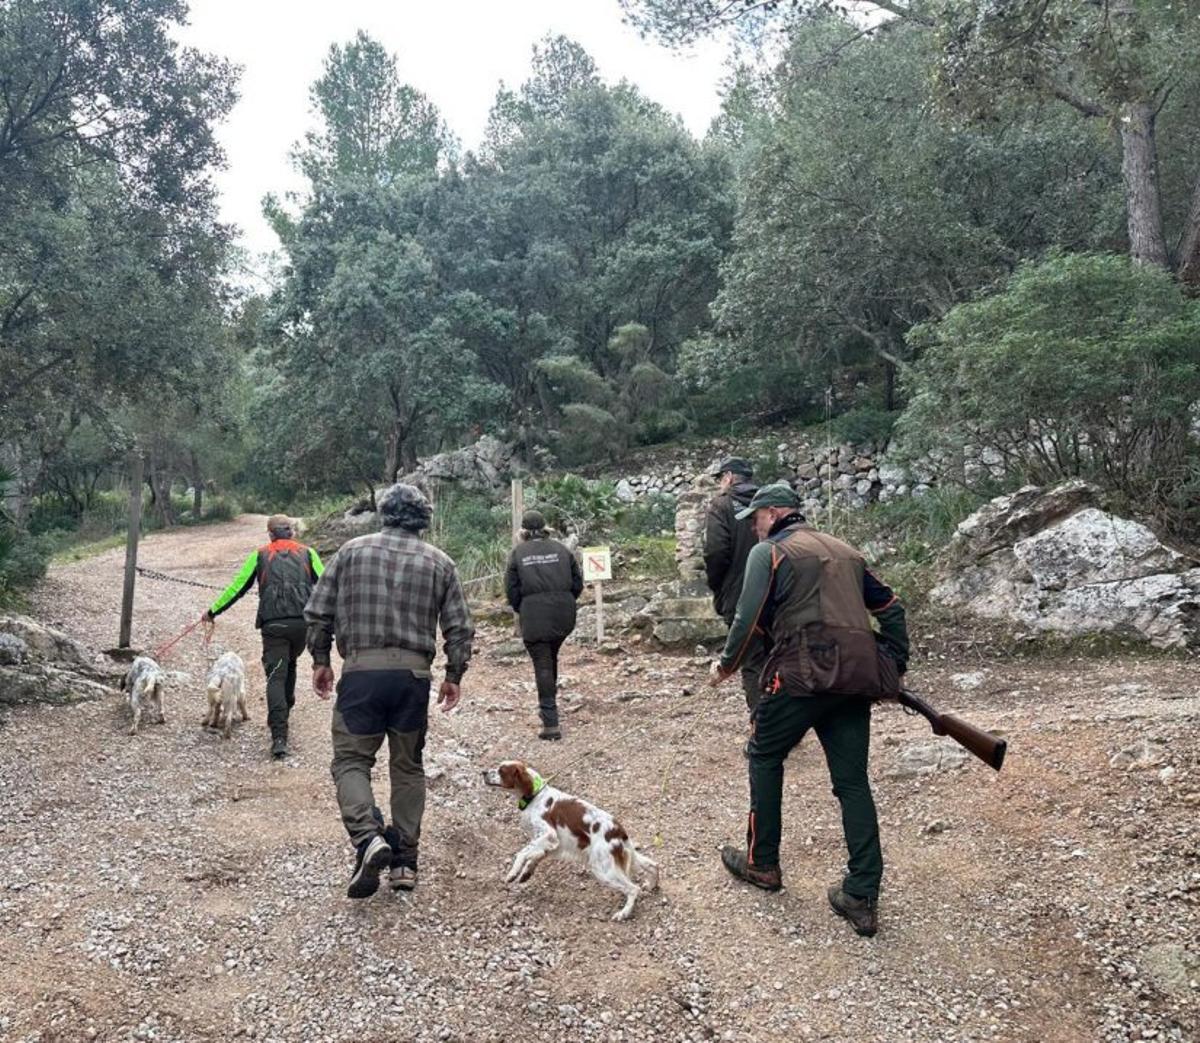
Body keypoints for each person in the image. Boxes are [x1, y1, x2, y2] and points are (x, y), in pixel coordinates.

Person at [709, 482, 909, 938]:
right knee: (852, 782)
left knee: (763, 754)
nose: (755, 531)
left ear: (776, 513)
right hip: (854, 678)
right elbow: (892, 608)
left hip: (799, 675)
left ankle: (763, 864)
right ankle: (861, 894)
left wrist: (726, 665)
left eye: (757, 520)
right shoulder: (847, 551)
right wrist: (894, 663)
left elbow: (747, 616)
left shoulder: (772, 552)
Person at [304, 482, 474, 900]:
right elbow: (459, 627)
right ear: (423, 519)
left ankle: (368, 839)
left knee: (350, 761)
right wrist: (454, 674)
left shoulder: (350, 552)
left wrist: (321, 660)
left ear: (384, 513)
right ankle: (404, 863)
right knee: (408, 767)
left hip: (361, 673)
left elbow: (318, 612)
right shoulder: (441, 563)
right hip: (413, 679)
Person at [204, 514, 324, 760]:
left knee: (276, 676)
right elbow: (326, 585)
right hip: (303, 625)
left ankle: (279, 737)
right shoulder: (308, 553)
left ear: (270, 534)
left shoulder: (260, 555)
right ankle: (286, 707)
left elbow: (237, 588)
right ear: (291, 532)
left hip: (274, 625)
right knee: (289, 664)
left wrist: (212, 611)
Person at [505, 510, 583, 741]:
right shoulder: (562, 549)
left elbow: (512, 590)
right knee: (550, 657)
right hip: (564, 613)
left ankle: (550, 722)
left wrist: (524, 608)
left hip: (534, 614)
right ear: (546, 527)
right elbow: (577, 583)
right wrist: (564, 601)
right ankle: (550, 705)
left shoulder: (518, 553)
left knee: (542, 663)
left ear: (523, 531)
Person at [702, 457, 762, 712]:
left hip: (740, 595)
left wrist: (718, 588)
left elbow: (716, 552)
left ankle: (764, 730)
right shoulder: (770, 504)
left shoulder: (722, 505)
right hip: (782, 595)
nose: (719, 484)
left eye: (719, 479)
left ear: (728, 477)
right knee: (781, 659)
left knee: (752, 663)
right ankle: (787, 727)